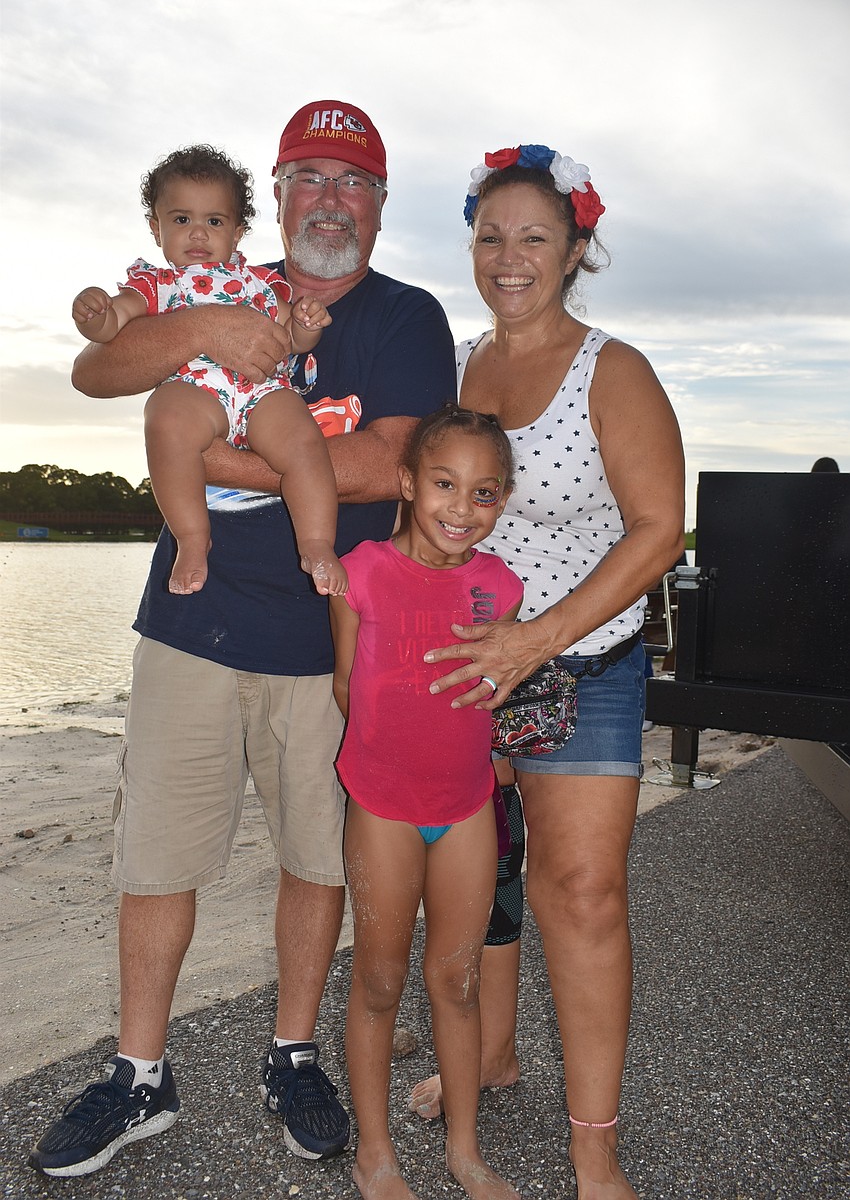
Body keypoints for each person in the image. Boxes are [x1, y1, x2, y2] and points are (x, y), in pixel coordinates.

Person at [29, 100, 456, 1179]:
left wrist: (216, 463)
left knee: (316, 858)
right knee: (158, 856)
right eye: (309, 176)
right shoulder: (217, 275)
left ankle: (292, 1055)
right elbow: (96, 371)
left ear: (379, 203)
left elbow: (389, 464)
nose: (329, 200)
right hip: (192, 622)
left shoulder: (407, 317)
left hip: (329, 642)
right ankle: (139, 1073)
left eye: (352, 181)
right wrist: (206, 332)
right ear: (275, 194)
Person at [408, 144, 685, 1200]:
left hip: (586, 668)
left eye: (533, 236)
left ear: (575, 249)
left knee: (584, 896)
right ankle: (491, 1054)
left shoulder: (614, 370)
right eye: (490, 236)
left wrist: (539, 637)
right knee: (477, 881)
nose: (508, 256)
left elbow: (658, 531)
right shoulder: (458, 367)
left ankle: (593, 1145)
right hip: (465, 671)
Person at [331, 405, 523, 1200]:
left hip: (467, 808)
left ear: (502, 500)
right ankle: (375, 1154)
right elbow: (346, 686)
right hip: (383, 807)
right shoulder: (362, 571)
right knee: (379, 982)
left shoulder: (500, 587)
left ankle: (464, 1151)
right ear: (408, 483)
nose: (461, 508)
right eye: (445, 484)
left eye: (484, 493)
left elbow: (495, 686)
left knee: (458, 982)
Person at [72, 143, 346, 599]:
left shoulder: (261, 282)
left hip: (263, 391)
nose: (198, 232)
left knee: (304, 441)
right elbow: (112, 325)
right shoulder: (156, 285)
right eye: (182, 219)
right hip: (196, 390)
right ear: (156, 228)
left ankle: (316, 543)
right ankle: (192, 539)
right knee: (166, 418)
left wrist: (305, 324)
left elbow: (293, 340)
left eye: (214, 221)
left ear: (237, 233)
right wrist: (94, 315)